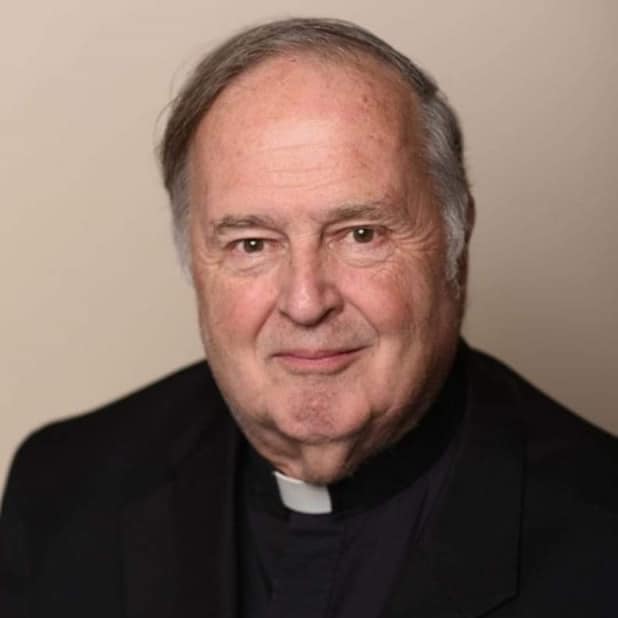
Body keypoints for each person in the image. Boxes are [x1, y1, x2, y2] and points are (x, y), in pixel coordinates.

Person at [1, 17, 616, 618]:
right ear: (193, 260)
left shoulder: (602, 540)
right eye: (251, 244)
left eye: (361, 233)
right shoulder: (61, 488)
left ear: (456, 244)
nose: (305, 301)